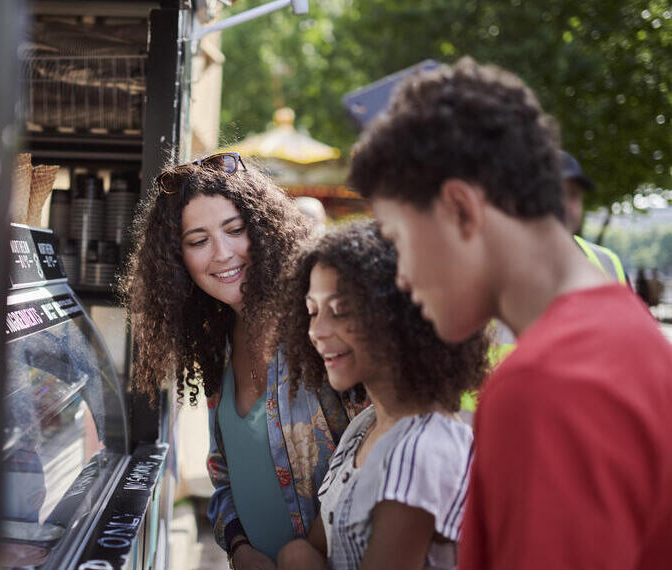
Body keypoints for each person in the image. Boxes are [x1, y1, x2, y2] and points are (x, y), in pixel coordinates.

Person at [348, 57, 672, 569]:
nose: (401, 275)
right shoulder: (630, 334)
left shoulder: (547, 384)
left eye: (397, 239)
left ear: (460, 208)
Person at [122, 152, 350, 568]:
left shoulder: (319, 325)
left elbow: (379, 446)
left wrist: (306, 554)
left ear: (264, 230)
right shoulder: (216, 344)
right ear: (177, 261)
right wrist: (240, 549)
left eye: (235, 230)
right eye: (198, 240)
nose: (222, 253)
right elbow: (223, 474)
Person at [274, 222, 488, 570]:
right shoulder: (364, 426)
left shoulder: (422, 450)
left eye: (341, 310)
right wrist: (296, 555)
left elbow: (305, 554)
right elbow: (310, 547)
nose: (317, 331)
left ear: (399, 315)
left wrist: (295, 558)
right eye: (313, 311)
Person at [558, 149, 629, 284]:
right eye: (557, 193)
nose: (565, 205)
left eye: (573, 194)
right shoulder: (511, 263)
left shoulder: (609, 263)